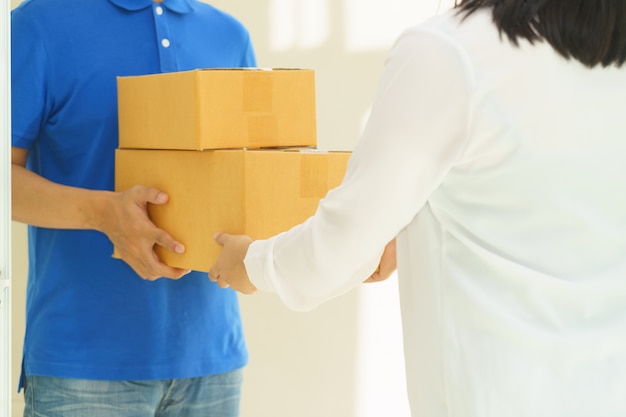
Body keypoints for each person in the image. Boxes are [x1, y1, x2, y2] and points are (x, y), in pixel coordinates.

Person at [210, 1, 626, 416]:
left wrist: (249, 262)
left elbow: (337, 250)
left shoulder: (450, 52)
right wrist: (410, 223)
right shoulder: (608, 55)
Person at [11, 0, 255, 415]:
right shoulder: (37, 24)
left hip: (213, 363)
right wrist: (102, 213)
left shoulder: (230, 36)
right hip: (83, 368)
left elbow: (253, 174)